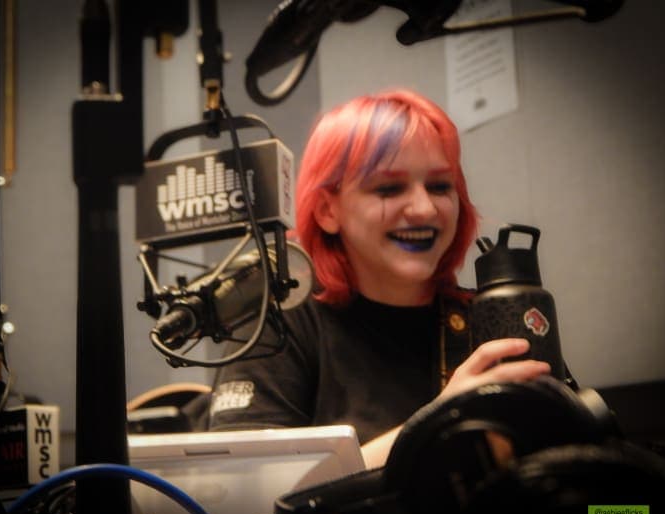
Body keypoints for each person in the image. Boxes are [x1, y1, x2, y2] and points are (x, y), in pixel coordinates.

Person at [191, 88, 551, 468]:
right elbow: (251, 485)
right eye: (389, 188)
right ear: (328, 210)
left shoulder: (491, 318)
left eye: (440, 186)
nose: (424, 208)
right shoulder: (280, 320)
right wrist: (438, 426)